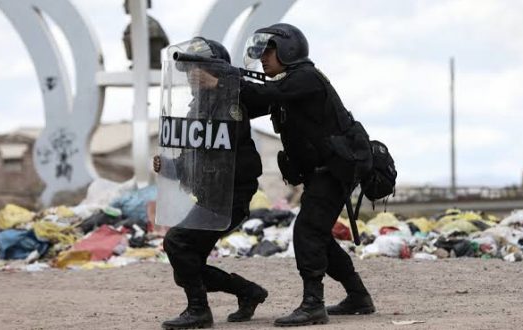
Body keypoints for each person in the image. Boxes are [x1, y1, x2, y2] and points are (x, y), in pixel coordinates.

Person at [240, 23, 376, 326]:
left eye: (269, 50)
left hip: (334, 171)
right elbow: (254, 102)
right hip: (323, 173)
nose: (263, 57)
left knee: (307, 232)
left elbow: (266, 93)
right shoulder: (289, 85)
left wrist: (227, 79)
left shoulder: (305, 78)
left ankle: (313, 304)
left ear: (288, 50)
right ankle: (358, 296)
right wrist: (219, 87)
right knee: (318, 236)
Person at [155, 37, 266, 330]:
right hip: (210, 196)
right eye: (188, 70)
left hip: (230, 196)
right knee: (188, 265)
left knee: (177, 243)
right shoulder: (198, 108)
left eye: (198, 69)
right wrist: (167, 167)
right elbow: (191, 161)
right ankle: (248, 292)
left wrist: (218, 82)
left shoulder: (232, 100)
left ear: (214, 70)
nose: (192, 75)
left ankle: (199, 311)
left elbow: (244, 88)